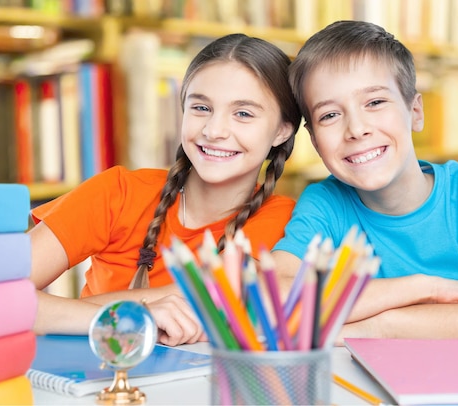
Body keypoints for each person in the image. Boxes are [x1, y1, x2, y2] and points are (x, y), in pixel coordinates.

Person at [273, 20, 458, 346]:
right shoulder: (325, 202)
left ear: (415, 111)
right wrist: (423, 288)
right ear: (315, 141)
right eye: (329, 115)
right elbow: (270, 299)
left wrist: (384, 327)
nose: (356, 129)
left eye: (375, 102)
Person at [29, 33, 301, 346]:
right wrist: (136, 313)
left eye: (243, 113)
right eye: (201, 107)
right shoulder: (118, 193)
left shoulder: (289, 226)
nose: (214, 131)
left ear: (282, 130)